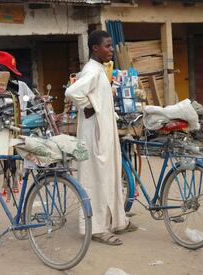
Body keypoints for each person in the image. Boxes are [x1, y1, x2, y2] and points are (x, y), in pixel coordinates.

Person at [65, 30, 137, 246]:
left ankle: (117, 221)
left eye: (111, 45)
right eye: (107, 46)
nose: (111, 50)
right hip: (95, 135)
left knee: (111, 177)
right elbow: (72, 92)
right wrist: (87, 107)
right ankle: (97, 228)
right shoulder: (92, 71)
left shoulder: (100, 70)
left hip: (105, 132)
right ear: (95, 48)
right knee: (96, 180)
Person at [0, 51, 35, 116]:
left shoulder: (22, 85)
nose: (10, 76)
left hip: (21, 122)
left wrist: (41, 98)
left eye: (11, 73)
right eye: (8, 72)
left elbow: (33, 99)